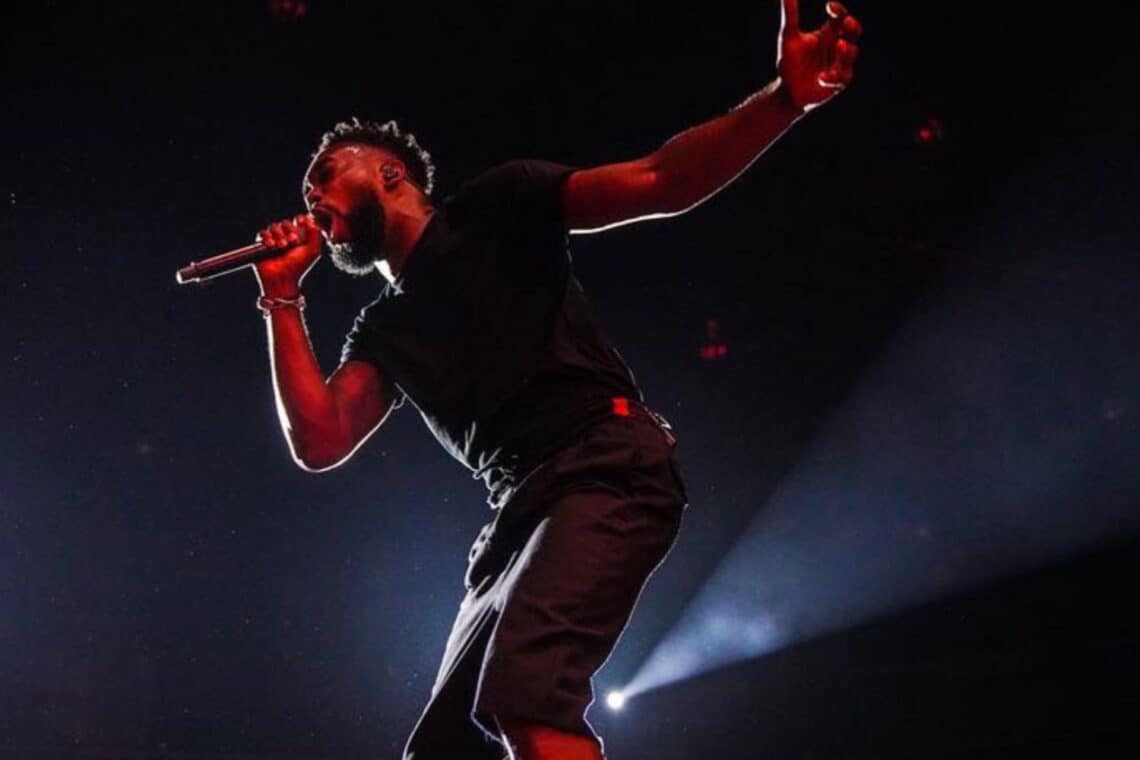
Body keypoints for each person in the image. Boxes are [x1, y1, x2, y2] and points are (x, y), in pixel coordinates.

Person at [250, 2, 860, 757]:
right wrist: (281, 297)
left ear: (389, 172)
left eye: (324, 176)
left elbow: (661, 179)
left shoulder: (498, 206)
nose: (311, 198)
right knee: (440, 751)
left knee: (525, 696)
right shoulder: (383, 329)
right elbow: (320, 440)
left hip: (604, 465)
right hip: (519, 516)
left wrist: (785, 100)